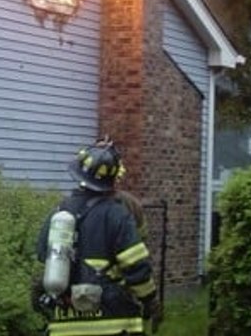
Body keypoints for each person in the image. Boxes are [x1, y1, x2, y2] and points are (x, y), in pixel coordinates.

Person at [34, 139, 162, 335]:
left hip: (65, 321)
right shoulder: (118, 215)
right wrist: (150, 300)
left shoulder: (60, 212)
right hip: (115, 321)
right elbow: (136, 266)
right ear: (112, 181)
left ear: (79, 175)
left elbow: (43, 258)